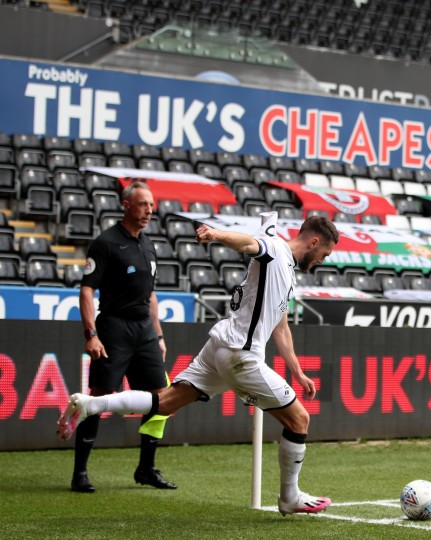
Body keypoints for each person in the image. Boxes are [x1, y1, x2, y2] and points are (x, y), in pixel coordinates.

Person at [58, 215, 339, 515]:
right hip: (239, 355)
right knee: (299, 420)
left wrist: (297, 371)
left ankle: (91, 404)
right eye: (325, 253)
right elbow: (247, 243)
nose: (322, 260)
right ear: (313, 242)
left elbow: (280, 328)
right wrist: (216, 234)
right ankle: (289, 496)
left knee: (165, 403)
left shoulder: (284, 271)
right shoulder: (275, 249)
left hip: (220, 348)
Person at [68, 181, 175, 493]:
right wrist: (91, 334)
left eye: (151, 206)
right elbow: (86, 289)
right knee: (98, 397)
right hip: (113, 328)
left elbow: (151, 295)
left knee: (162, 397)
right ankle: (80, 474)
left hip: (144, 329)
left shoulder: (149, 245)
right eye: (143, 205)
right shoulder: (105, 243)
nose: (149, 211)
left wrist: (159, 334)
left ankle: (146, 468)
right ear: (126, 204)